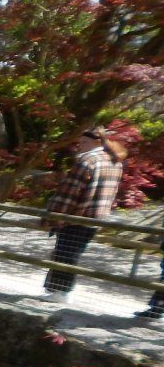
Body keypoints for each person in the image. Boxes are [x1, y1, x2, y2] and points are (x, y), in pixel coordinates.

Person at [40, 128, 126, 301]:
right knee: (72, 252)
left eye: (84, 142)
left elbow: (70, 192)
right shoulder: (114, 161)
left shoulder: (87, 161)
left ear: (97, 142)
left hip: (77, 214)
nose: (80, 146)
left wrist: (55, 215)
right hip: (96, 215)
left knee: (65, 253)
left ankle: (60, 291)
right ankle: (57, 290)